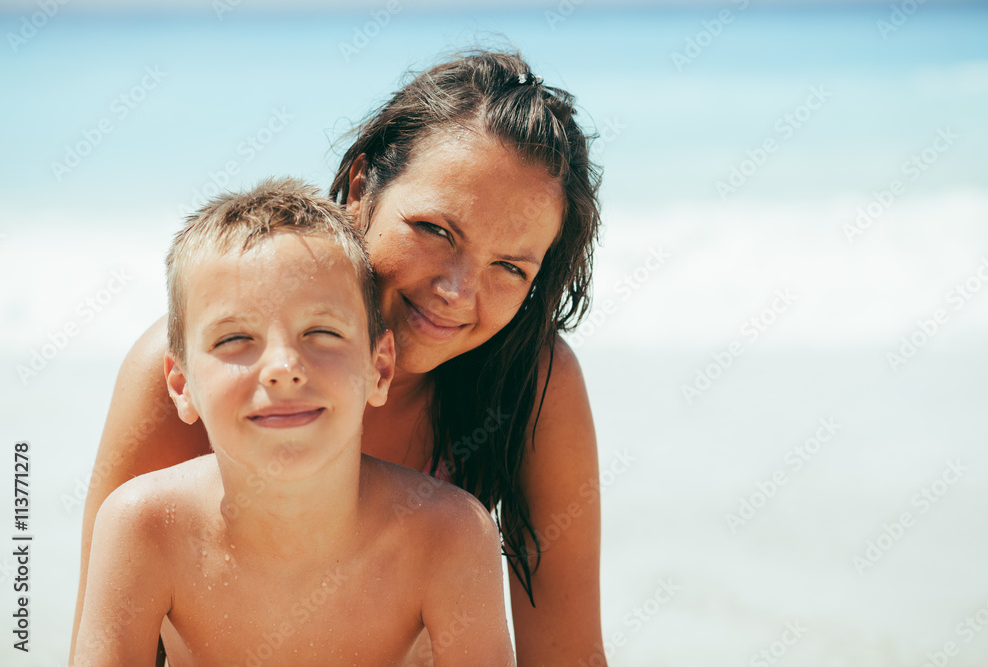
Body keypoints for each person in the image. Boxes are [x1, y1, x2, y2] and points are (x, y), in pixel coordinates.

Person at [72, 49, 606, 665]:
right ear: (360, 188)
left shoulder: (529, 384)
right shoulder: (204, 374)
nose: (457, 291)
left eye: (510, 267)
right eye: (436, 230)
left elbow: (568, 655)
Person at [74, 180, 515, 666]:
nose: (283, 365)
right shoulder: (143, 526)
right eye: (236, 338)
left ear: (380, 368)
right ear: (181, 385)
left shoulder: (449, 536)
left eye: (322, 332)